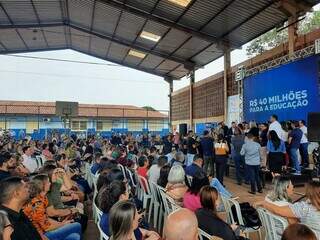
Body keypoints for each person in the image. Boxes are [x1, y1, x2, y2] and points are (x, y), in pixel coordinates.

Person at [23, 174, 82, 240]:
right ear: (42, 186)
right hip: (41, 235)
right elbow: (46, 227)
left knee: (75, 236)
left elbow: (46, 218)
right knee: (76, 225)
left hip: (45, 230)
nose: (50, 183)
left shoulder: (43, 198)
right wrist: (63, 224)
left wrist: (61, 223)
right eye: (48, 182)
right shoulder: (37, 204)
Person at [256, 179, 320, 238]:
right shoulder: (301, 207)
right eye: (291, 184)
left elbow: (278, 210)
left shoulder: (268, 197)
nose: (293, 186)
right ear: (286, 188)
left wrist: (264, 203)